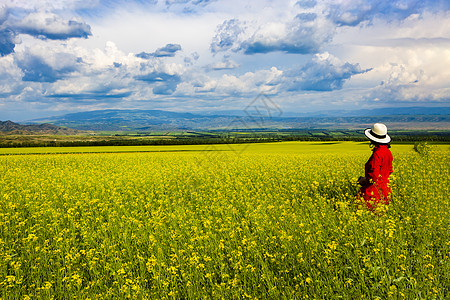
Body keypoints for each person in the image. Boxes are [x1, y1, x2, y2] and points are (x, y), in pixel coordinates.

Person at [356, 123, 393, 211]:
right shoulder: (388, 152)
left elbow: (374, 177)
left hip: (373, 193)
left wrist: (363, 180)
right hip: (385, 191)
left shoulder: (377, 154)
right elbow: (390, 171)